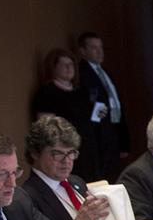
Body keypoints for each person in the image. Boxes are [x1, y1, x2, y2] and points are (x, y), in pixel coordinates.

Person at [21, 116, 111, 220]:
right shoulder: (27, 197)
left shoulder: (76, 182)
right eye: (57, 154)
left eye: (71, 153)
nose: (67, 160)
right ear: (35, 153)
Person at [31, 48, 105, 182]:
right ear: (53, 68)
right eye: (64, 64)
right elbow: (46, 128)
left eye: (71, 64)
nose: (69, 68)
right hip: (64, 151)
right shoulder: (47, 93)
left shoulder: (81, 92)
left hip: (87, 148)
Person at [76, 32, 128, 181]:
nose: (99, 51)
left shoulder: (105, 72)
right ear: (83, 51)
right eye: (94, 48)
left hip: (113, 129)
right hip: (97, 132)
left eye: (100, 47)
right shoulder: (82, 73)